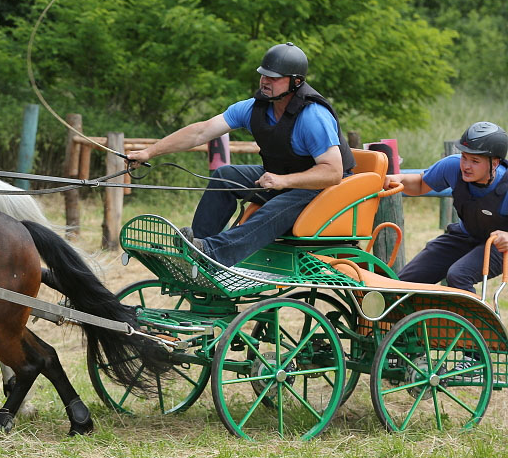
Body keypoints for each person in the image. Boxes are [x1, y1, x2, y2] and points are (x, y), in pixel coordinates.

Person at [127, 42, 355, 267]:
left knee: (276, 207)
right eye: (263, 75)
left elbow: (333, 172)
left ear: (296, 82)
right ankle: (194, 248)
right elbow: (201, 132)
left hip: (326, 189)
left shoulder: (313, 116)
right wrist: (149, 152)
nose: (265, 81)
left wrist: (283, 180)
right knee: (225, 175)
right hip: (284, 178)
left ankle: (211, 253)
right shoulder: (253, 108)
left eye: (274, 77)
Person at [385, 121, 508, 292]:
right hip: (465, 236)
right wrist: (400, 179)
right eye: (464, 157)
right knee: (403, 283)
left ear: (494, 163)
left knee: (459, 275)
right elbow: (421, 184)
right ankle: (420, 318)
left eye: (475, 160)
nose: (466, 165)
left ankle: (472, 320)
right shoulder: (451, 166)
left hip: (499, 246)